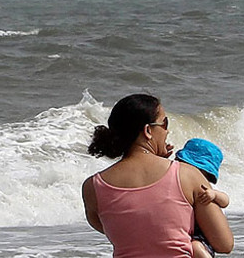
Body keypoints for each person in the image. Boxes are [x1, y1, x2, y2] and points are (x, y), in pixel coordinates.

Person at [81, 94, 233, 257]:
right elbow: (224, 243)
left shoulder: (92, 187)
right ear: (148, 131)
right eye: (165, 123)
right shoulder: (187, 175)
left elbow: (127, 231)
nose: (167, 131)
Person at [175, 138, 230, 258]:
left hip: (203, 238)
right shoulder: (181, 183)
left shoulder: (207, 188)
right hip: (188, 236)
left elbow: (226, 201)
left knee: (196, 247)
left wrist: (214, 195)